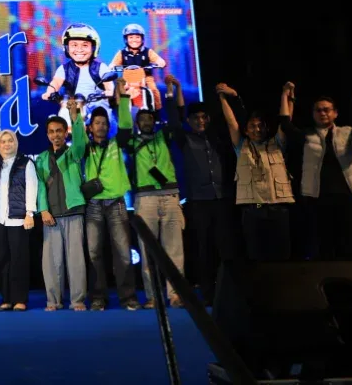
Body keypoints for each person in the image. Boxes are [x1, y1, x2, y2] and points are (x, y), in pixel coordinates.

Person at [279, 84, 352, 259]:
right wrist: (285, 95)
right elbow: (286, 125)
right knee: (323, 246)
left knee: (350, 244)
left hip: (347, 196)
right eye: (318, 110)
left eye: (326, 110)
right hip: (318, 198)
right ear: (313, 114)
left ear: (335, 113)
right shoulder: (308, 135)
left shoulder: (346, 133)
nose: (323, 113)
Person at [165, 76, 237, 306]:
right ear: (190, 120)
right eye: (195, 118)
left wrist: (227, 96)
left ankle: (227, 291)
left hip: (221, 199)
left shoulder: (216, 138)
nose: (200, 121)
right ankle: (207, 293)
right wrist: (175, 89)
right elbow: (175, 120)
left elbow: (233, 124)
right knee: (204, 249)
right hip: (199, 202)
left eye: (203, 117)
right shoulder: (185, 139)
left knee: (225, 247)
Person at [118, 89, 185, 308]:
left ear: (154, 121)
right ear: (138, 123)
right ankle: (153, 296)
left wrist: (169, 97)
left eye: (149, 118)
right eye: (142, 119)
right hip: (145, 199)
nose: (146, 121)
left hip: (170, 196)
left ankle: (175, 294)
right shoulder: (132, 142)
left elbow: (176, 123)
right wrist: (124, 97)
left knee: (174, 250)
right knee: (147, 253)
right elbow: (124, 128)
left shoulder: (163, 136)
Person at [217, 83, 294, 261]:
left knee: (282, 257)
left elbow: (287, 120)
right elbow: (231, 122)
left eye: (260, 126)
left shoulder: (277, 145)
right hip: (253, 212)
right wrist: (222, 98)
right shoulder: (241, 147)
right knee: (256, 257)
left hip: (278, 210)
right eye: (252, 126)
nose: (257, 129)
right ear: (246, 130)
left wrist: (286, 96)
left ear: (266, 129)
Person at [84, 82, 140, 311]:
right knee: (94, 254)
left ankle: (128, 298)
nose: (101, 126)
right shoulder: (84, 148)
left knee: (123, 254)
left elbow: (126, 125)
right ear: (91, 127)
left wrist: (124, 98)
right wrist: (76, 115)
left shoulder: (117, 144)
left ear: (108, 126)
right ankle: (98, 297)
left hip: (116, 203)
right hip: (94, 205)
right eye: (96, 123)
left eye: (104, 123)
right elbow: (78, 137)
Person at [36, 98, 89, 311]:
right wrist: (43, 210)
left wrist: (75, 116)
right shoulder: (41, 159)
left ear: (65, 132)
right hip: (52, 217)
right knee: (51, 263)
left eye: (59, 131)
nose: (55, 135)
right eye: (51, 131)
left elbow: (80, 141)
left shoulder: (73, 154)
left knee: (76, 261)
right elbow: (40, 186)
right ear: (47, 135)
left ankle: (77, 300)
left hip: (73, 212)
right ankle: (53, 301)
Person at [0, 130, 37, 312]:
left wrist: (30, 213)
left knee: (19, 261)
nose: (6, 144)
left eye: (10, 141)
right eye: (2, 141)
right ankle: (6, 299)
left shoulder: (26, 163)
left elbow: (32, 187)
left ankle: (20, 299)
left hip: (18, 220)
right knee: (2, 261)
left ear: (15, 143)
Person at [41, 22, 116, 125]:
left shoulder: (101, 67)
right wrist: (49, 92)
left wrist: (109, 91)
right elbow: (56, 83)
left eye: (85, 45)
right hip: (75, 105)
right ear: (67, 48)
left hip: (97, 105)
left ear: (93, 47)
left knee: (104, 118)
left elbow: (109, 84)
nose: (79, 49)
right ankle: (68, 137)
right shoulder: (64, 69)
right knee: (63, 112)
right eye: (74, 45)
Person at [109, 24, 167, 110]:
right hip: (127, 79)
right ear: (126, 39)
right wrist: (112, 67)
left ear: (142, 39)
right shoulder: (122, 53)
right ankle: (118, 112)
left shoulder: (148, 51)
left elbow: (161, 61)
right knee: (117, 91)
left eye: (137, 37)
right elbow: (112, 64)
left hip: (146, 78)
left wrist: (159, 63)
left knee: (154, 90)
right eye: (131, 37)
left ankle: (157, 112)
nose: (134, 40)